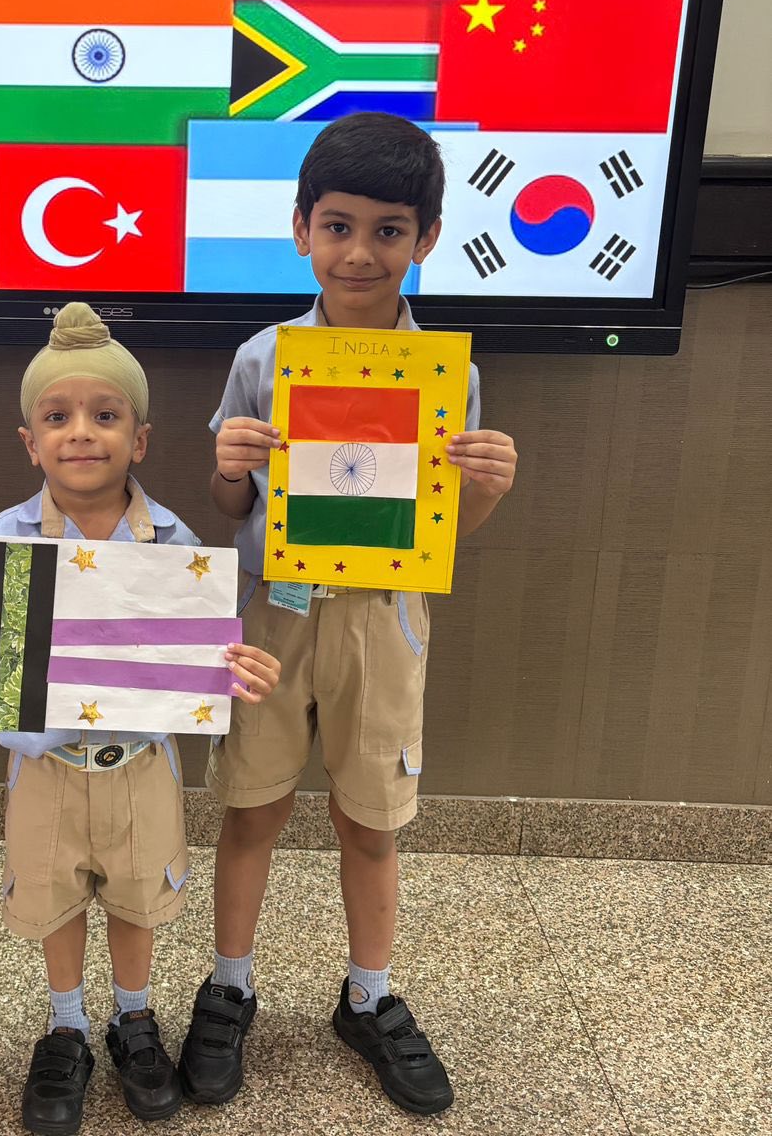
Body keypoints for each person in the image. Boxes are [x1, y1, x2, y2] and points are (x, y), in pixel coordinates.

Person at [178, 114, 519, 1116]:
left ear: (426, 237)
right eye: (337, 226)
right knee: (251, 807)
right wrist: (227, 466)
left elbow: (442, 529)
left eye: (388, 230)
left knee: (371, 821)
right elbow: (231, 507)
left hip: (381, 620)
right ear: (300, 230)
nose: (360, 252)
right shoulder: (263, 356)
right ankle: (229, 985)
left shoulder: (446, 373)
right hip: (272, 618)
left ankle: (367, 995)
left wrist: (486, 487)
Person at [0, 303, 280, 1135]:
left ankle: (133, 1017)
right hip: (44, 769)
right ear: (30, 442)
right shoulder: (6, 538)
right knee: (55, 902)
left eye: (106, 416)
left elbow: (200, 649)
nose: (81, 433)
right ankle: (66, 1027)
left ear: (140, 439)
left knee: (135, 899)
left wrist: (237, 665)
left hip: (141, 768)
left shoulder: (174, 543)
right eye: (57, 417)